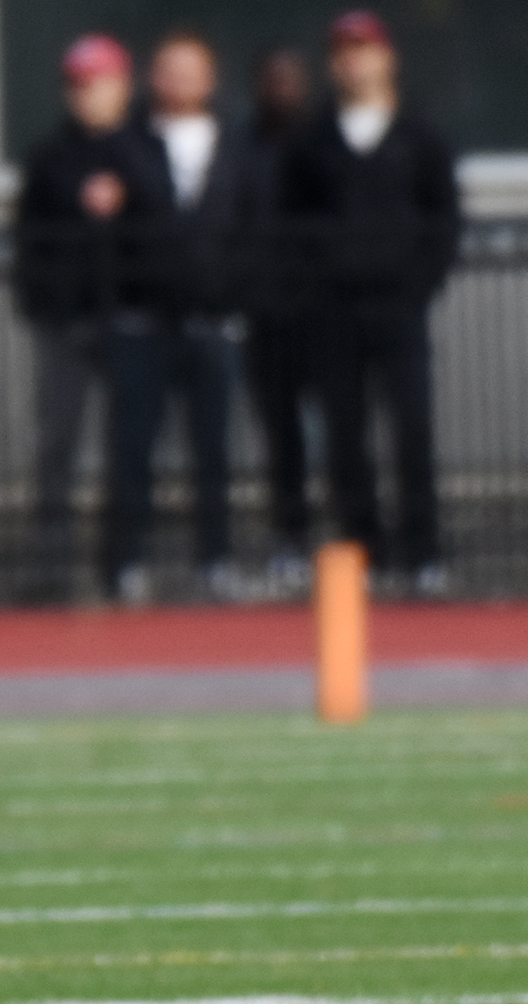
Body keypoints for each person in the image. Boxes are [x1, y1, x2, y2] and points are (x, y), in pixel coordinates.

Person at [284, 10, 460, 595]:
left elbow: (443, 218)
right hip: (334, 309)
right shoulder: (313, 141)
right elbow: (292, 220)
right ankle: (366, 552)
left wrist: (419, 281)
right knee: (345, 436)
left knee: (412, 429)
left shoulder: (420, 136)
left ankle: (424, 554)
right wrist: (318, 280)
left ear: (388, 57)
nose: (353, 60)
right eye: (342, 50)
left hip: (399, 306)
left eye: (363, 48)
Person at [100, 31, 250, 604]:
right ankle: (127, 563)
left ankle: (216, 559)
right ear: (152, 78)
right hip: (143, 322)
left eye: (193, 70)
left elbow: (251, 225)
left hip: (214, 323)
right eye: (170, 69)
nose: (181, 82)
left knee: (214, 450)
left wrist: (233, 294)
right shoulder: (125, 144)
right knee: (133, 447)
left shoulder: (235, 145)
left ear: (211, 80)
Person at [12, 33, 136, 602]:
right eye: (79, 85)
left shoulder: (141, 152)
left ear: (123, 87)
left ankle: (123, 565)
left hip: (126, 320)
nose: (89, 96)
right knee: (58, 445)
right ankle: (53, 567)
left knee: (127, 446)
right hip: (63, 322)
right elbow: (29, 241)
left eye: (100, 83)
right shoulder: (48, 157)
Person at [240, 49, 317, 596]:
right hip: (265, 313)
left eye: (291, 81)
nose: (282, 91)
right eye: (273, 81)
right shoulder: (243, 148)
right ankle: (292, 534)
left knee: (344, 431)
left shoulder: (321, 145)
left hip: (323, 313)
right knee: (282, 434)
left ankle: (358, 542)